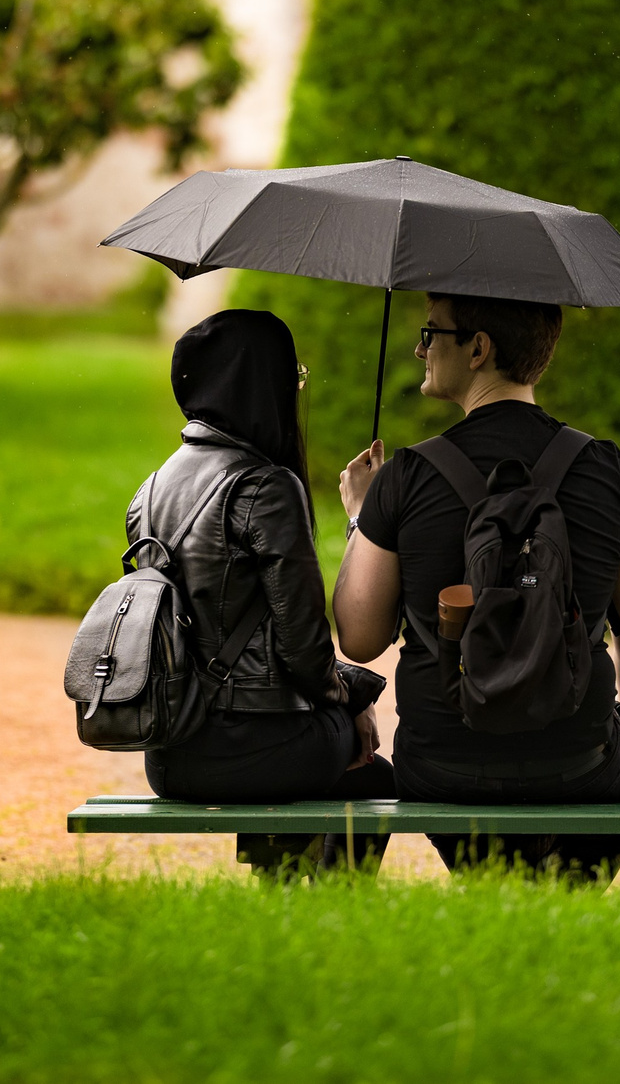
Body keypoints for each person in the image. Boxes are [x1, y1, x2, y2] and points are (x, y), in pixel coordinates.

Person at [332, 292, 620, 878]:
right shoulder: (607, 469)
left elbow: (360, 638)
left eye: (432, 332)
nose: (420, 347)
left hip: (440, 763)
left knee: (495, 864)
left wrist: (360, 517)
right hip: (580, 764)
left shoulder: (406, 478)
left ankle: (502, 901)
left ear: (478, 349)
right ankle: (564, 902)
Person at [137, 309, 393, 872]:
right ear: (261, 383)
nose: (296, 387)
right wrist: (354, 703)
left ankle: (278, 887)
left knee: (321, 735)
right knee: (374, 776)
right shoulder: (265, 487)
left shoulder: (151, 489)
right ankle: (334, 912)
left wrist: (346, 698)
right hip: (246, 749)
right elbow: (304, 650)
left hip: (168, 753)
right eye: (292, 374)